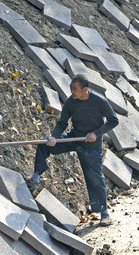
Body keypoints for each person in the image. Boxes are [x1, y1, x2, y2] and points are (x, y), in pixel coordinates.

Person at [29, 75, 119, 226]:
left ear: (85, 89)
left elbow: (114, 120)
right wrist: (54, 137)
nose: (71, 91)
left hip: (91, 145)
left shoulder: (99, 101)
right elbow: (62, 122)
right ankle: (36, 175)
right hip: (75, 138)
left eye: (74, 89)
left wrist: (96, 134)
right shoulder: (71, 102)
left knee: (95, 177)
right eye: (71, 88)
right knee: (44, 143)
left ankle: (104, 213)